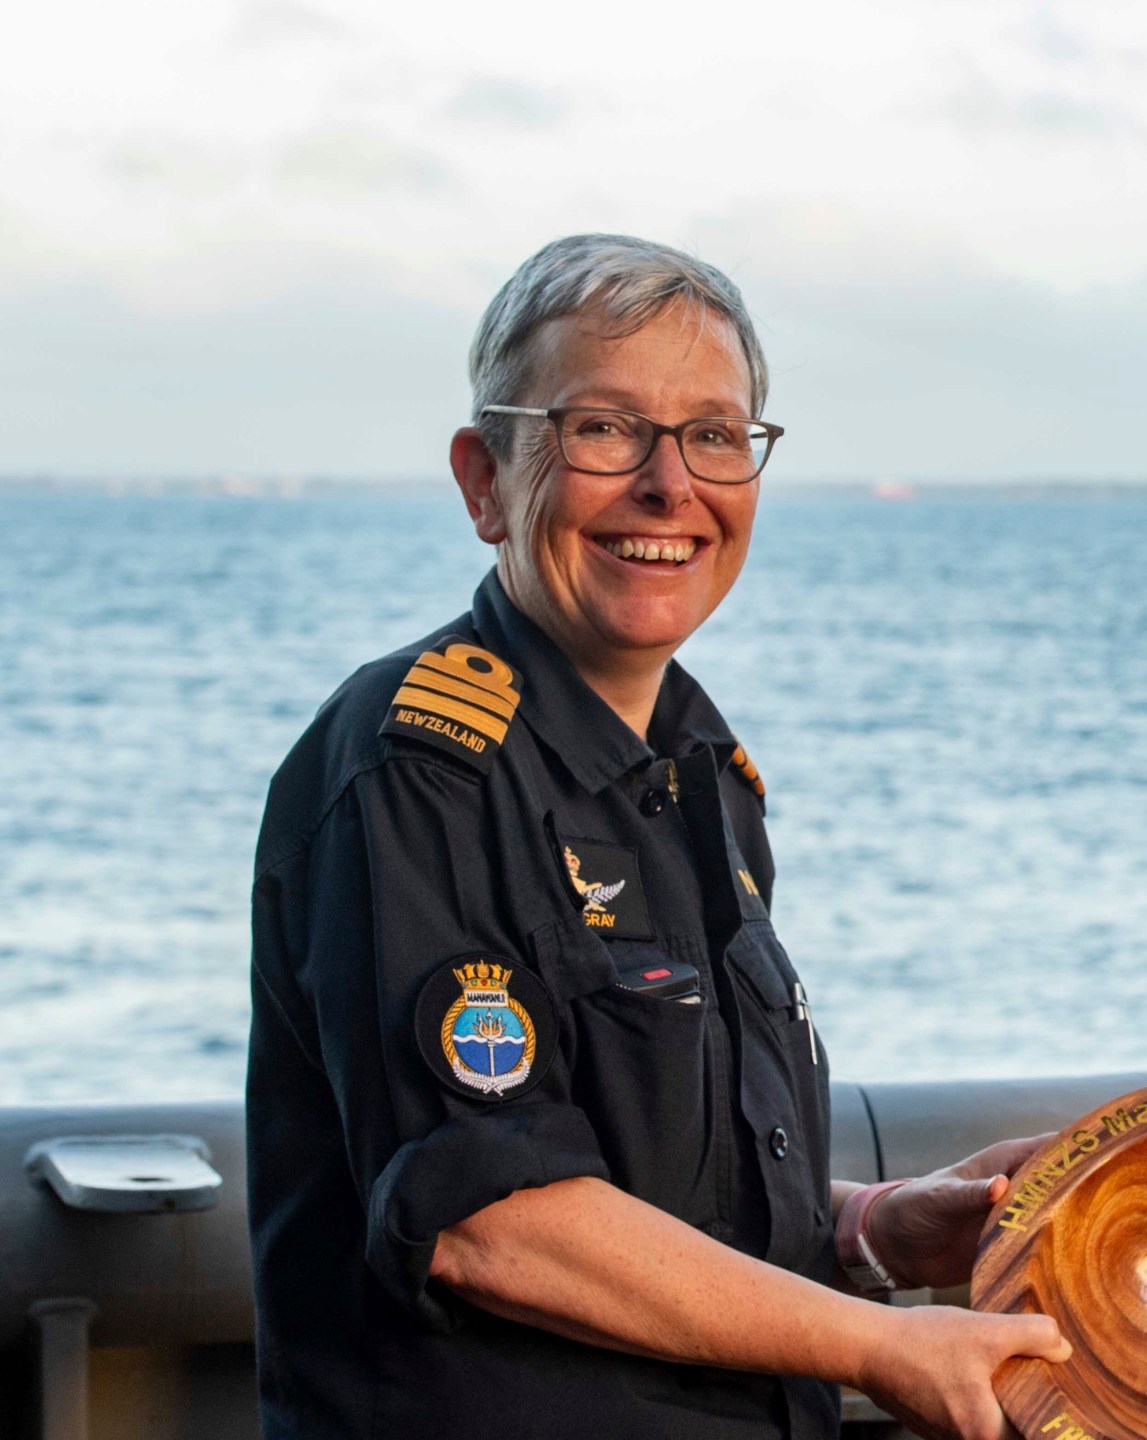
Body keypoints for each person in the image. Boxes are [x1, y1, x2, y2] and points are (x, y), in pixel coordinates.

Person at [246, 234, 1068, 1440]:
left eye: (715, 435)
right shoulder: (418, 768)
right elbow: (492, 1221)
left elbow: (652, 1183)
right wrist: (883, 1347)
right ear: (485, 481)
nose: (669, 485)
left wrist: (862, 1231)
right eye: (604, 429)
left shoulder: (702, 777)